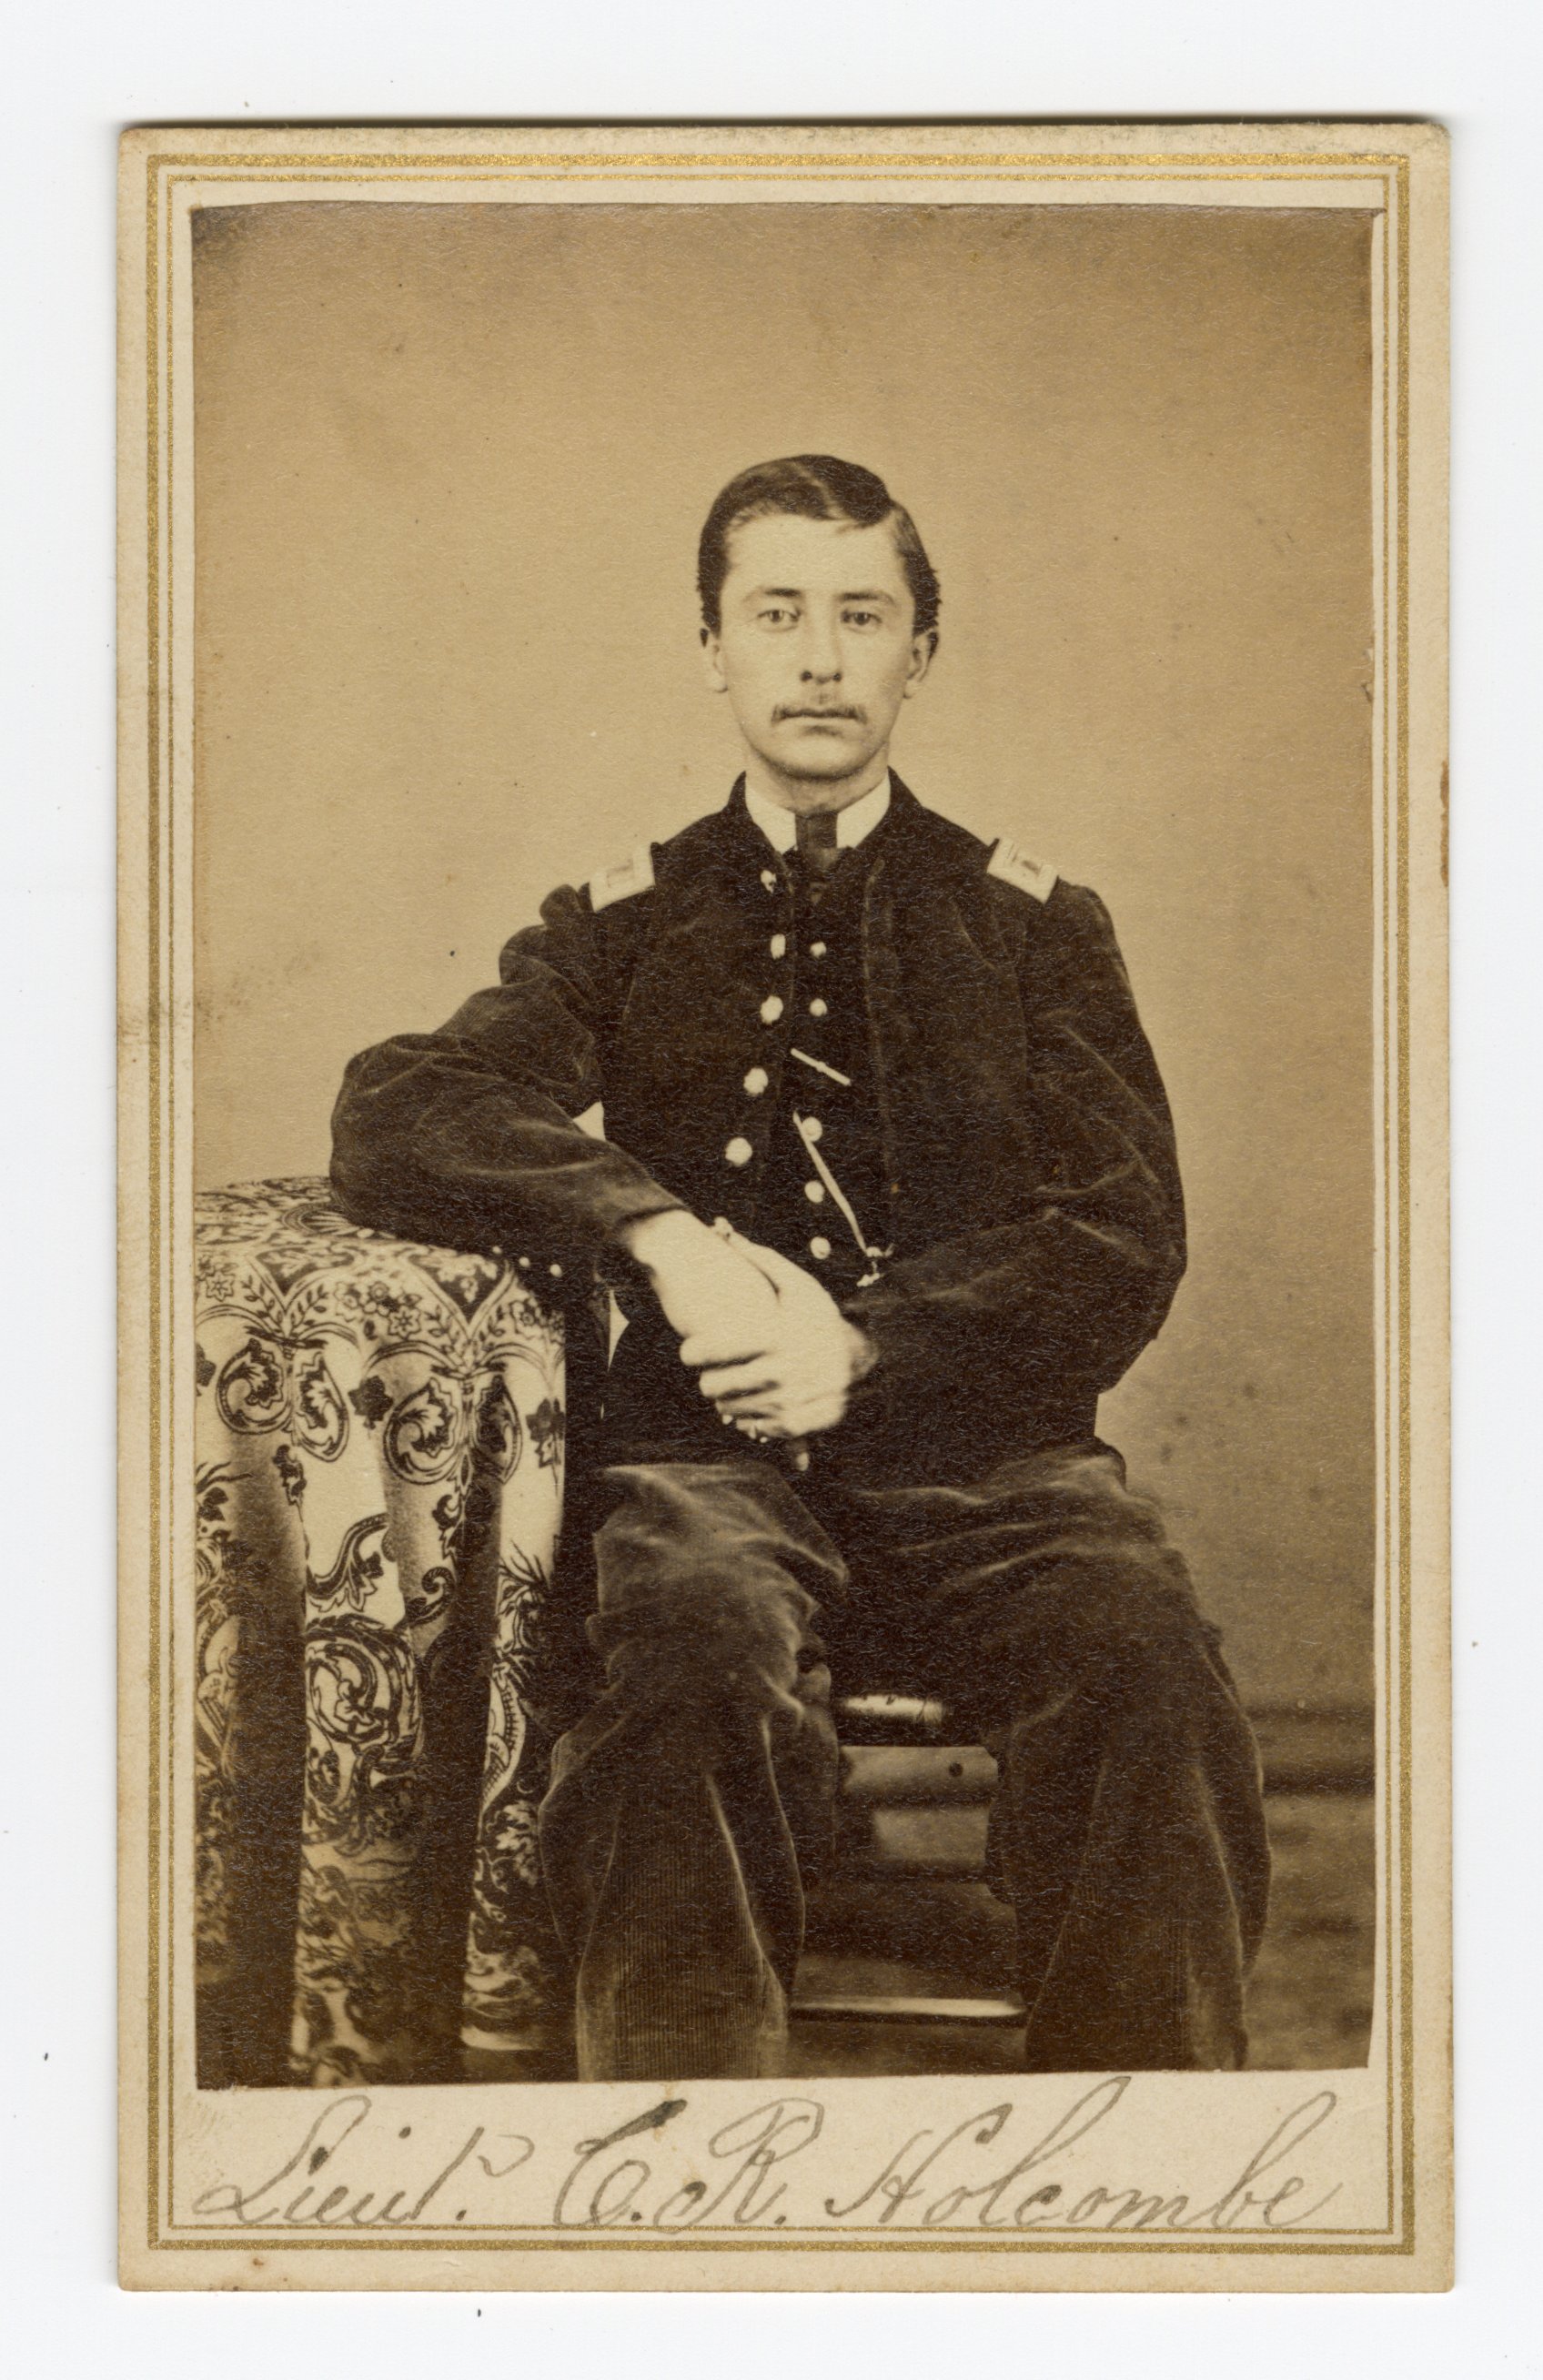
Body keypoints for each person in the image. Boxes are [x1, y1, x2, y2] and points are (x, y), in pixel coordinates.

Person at [331, 453, 1270, 2082]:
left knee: (1146, 1658)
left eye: (863, 616)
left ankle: (1154, 2157)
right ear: (713, 647)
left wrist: (868, 1348)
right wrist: (659, 1235)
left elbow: (1123, 1238)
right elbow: (406, 1100)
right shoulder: (627, 920)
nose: (821, 660)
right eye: (777, 616)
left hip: (998, 1467)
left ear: (923, 650)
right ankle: (682, 2166)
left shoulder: (1032, 925)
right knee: (684, 1663)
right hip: (708, 1471)